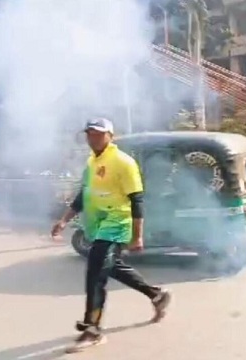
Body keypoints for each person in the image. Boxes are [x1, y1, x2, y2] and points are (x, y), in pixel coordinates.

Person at [51, 118, 172, 353]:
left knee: (95, 273)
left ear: (110, 136)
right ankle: (156, 295)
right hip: (97, 226)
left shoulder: (123, 162)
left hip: (116, 224)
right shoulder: (91, 163)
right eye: (89, 134)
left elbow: (137, 200)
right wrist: (64, 220)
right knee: (111, 267)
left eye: (98, 134)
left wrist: (137, 236)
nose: (93, 138)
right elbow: (82, 196)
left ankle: (92, 330)